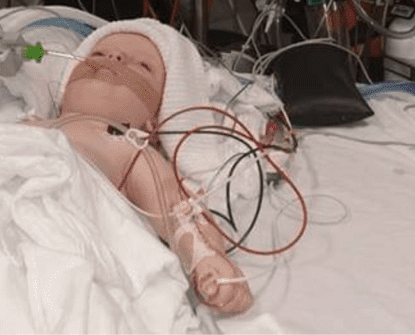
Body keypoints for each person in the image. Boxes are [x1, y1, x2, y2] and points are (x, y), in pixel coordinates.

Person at [22, 19, 253, 316]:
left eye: (142, 66)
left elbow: (176, 210)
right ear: (65, 87)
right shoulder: (29, 123)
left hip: (43, 231)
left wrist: (207, 260)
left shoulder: (127, 147)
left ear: (153, 124)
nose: (114, 59)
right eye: (98, 55)